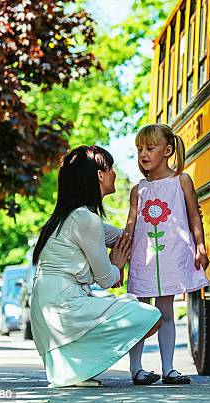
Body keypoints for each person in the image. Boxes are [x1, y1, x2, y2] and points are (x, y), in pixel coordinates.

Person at [30, 145, 163, 388]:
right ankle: (78, 368)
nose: (115, 174)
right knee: (152, 317)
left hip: (50, 309)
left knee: (132, 305)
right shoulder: (85, 219)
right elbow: (107, 279)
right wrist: (118, 264)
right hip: (64, 307)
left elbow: (124, 238)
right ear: (100, 175)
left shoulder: (74, 216)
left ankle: (76, 369)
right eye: (111, 168)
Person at [124, 124, 209, 385]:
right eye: (139, 149)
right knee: (141, 313)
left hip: (171, 257)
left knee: (166, 312)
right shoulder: (138, 189)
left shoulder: (181, 180)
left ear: (168, 150)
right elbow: (130, 225)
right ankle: (136, 369)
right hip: (143, 259)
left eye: (150, 148)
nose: (143, 154)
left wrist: (201, 246)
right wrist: (120, 258)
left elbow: (195, 215)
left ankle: (168, 368)